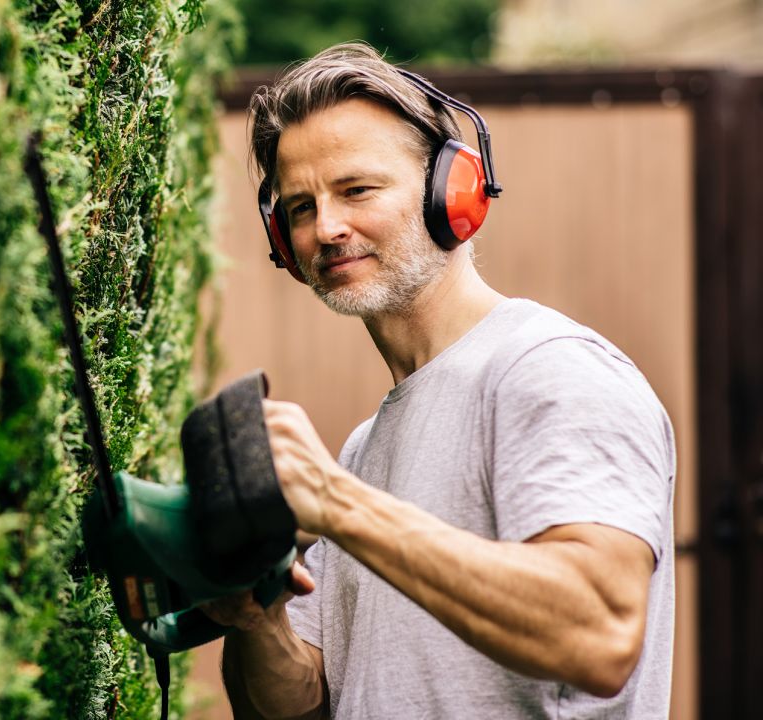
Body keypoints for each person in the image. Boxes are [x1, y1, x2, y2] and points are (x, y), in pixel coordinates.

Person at [204, 42, 676, 719]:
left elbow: (600, 634)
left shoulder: (549, 369)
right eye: (300, 208)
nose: (326, 228)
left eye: (356, 190)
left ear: (451, 190)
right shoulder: (364, 450)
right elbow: (307, 703)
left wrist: (338, 504)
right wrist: (255, 616)